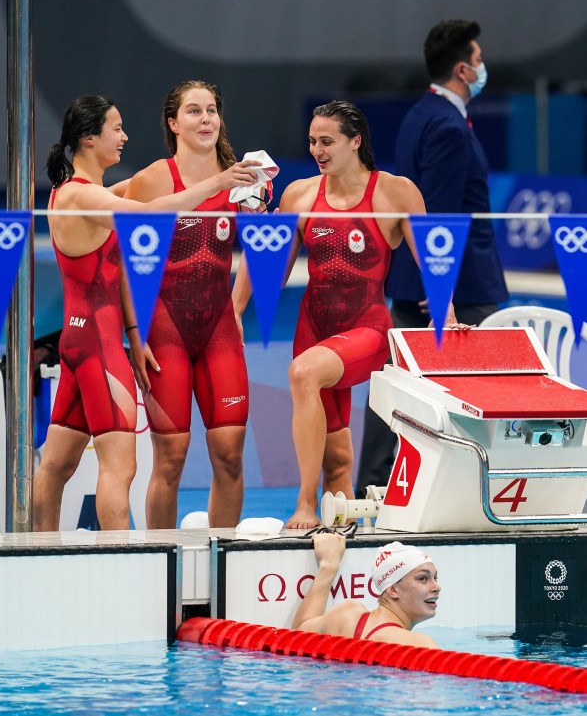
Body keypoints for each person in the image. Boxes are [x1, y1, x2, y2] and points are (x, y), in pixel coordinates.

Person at [33, 94, 260, 531]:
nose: (124, 137)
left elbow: (114, 261)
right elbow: (151, 212)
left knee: (57, 462)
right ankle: (128, 571)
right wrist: (218, 182)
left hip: (82, 341)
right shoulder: (83, 197)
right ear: (88, 138)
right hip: (100, 348)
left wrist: (135, 335)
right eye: (116, 129)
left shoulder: (82, 194)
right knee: (120, 471)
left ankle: (38, 555)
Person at [263, 100, 461, 531]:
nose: (317, 149)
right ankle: (343, 536)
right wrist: (262, 231)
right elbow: (273, 277)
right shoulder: (298, 194)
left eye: (327, 141)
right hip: (312, 326)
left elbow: (432, 257)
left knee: (302, 373)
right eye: (312, 141)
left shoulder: (394, 191)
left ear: (355, 142)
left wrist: (445, 311)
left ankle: (303, 505)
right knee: (336, 455)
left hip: (367, 327)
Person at [356, 19, 508, 498]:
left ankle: (376, 486)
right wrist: (436, 290)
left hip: (435, 282)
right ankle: (460, 490)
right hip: (455, 288)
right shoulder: (445, 124)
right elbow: (437, 216)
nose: (484, 67)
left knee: (399, 386)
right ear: (463, 69)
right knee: (475, 391)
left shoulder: (424, 113)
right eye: (479, 60)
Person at [122, 80, 262, 529]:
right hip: (165, 329)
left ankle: (224, 563)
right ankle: (159, 563)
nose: (205, 119)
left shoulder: (241, 179)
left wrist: (236, 308)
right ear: (173, 123)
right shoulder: (151, 180)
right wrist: (133, 329)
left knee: (230, 456)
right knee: (171, 458)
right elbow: (122, 260)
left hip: (218, 327)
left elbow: (261, 253)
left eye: (211, 111)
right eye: (194, 111)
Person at [292, 534, 440, 649]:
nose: (437, 587)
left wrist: (328, 566)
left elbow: (297, 635)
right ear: (393, 590)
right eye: (423, 578)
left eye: (435, 578)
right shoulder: (420, 644)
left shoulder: (346, 616)